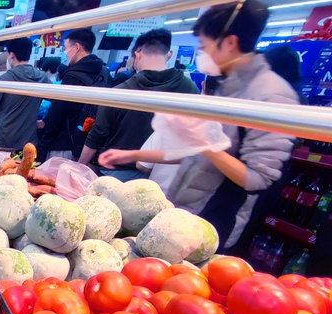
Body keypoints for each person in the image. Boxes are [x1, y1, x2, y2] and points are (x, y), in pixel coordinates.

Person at [98, 0, 298, 250]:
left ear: (230, 43)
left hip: (215, 220)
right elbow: (196, 152)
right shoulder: (230, 87)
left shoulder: (270, 95)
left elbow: (258, 178)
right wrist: (134, 155)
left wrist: (205, 144)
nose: (202, 53)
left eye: (204, 46)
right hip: (185, 212)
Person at [79, 28, 198, 180]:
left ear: (138, 54)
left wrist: (79, 165)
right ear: (169, 54)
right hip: (162, 175)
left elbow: (98, 133)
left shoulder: (119, 92)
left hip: (115, 173)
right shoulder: (190, 90)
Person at [38, 29, 108, 160]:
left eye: (66, 48)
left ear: (76, 47)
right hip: (87, 143)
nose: (65, 52)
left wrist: (43, 143)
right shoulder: (103, 72)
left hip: (63, 143)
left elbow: (58, 113)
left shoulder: (73, 75)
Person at [0, 38, 49, 150]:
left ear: (11, 55)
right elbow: (59, 100)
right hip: (28, 142)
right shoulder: (42, 77)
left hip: (2, 140)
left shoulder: (4, 79)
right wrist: (45, 120)